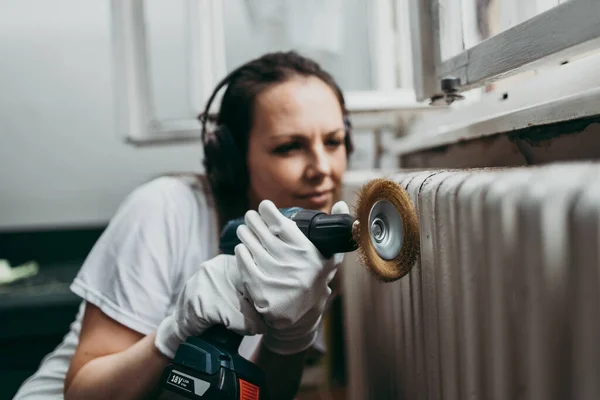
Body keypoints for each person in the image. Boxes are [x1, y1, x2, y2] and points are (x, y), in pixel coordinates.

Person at [13, 50, 354, 400]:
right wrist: (172, 335)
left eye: (334, 142)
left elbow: (262, 394)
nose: (322, 168)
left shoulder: (311, 250)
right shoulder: (165, 209)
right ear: (233, 159)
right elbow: (82, 393)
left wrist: (292, 336)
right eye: (289, 147)